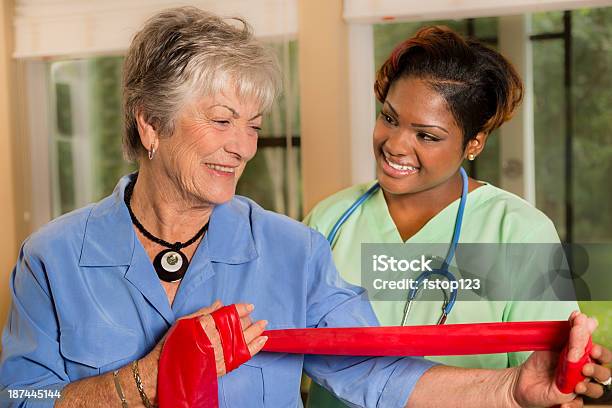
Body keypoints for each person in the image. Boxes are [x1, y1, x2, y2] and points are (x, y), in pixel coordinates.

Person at [0, 8, 608, 408]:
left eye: (253, 124)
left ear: (473, 145)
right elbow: (20, 399)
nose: (243, 146)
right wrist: (142, 381)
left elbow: (376, 372)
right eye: (220, 121)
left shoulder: (294, 249)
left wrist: (511, 390)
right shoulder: (52, 258)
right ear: (151, 124)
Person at [304, 26, 611, 407]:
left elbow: (545, 380)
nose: (395, 144)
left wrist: (573, 377)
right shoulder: (330, 219)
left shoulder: (516, 232)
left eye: (427, 136)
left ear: (474, 142)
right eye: (389, 118)